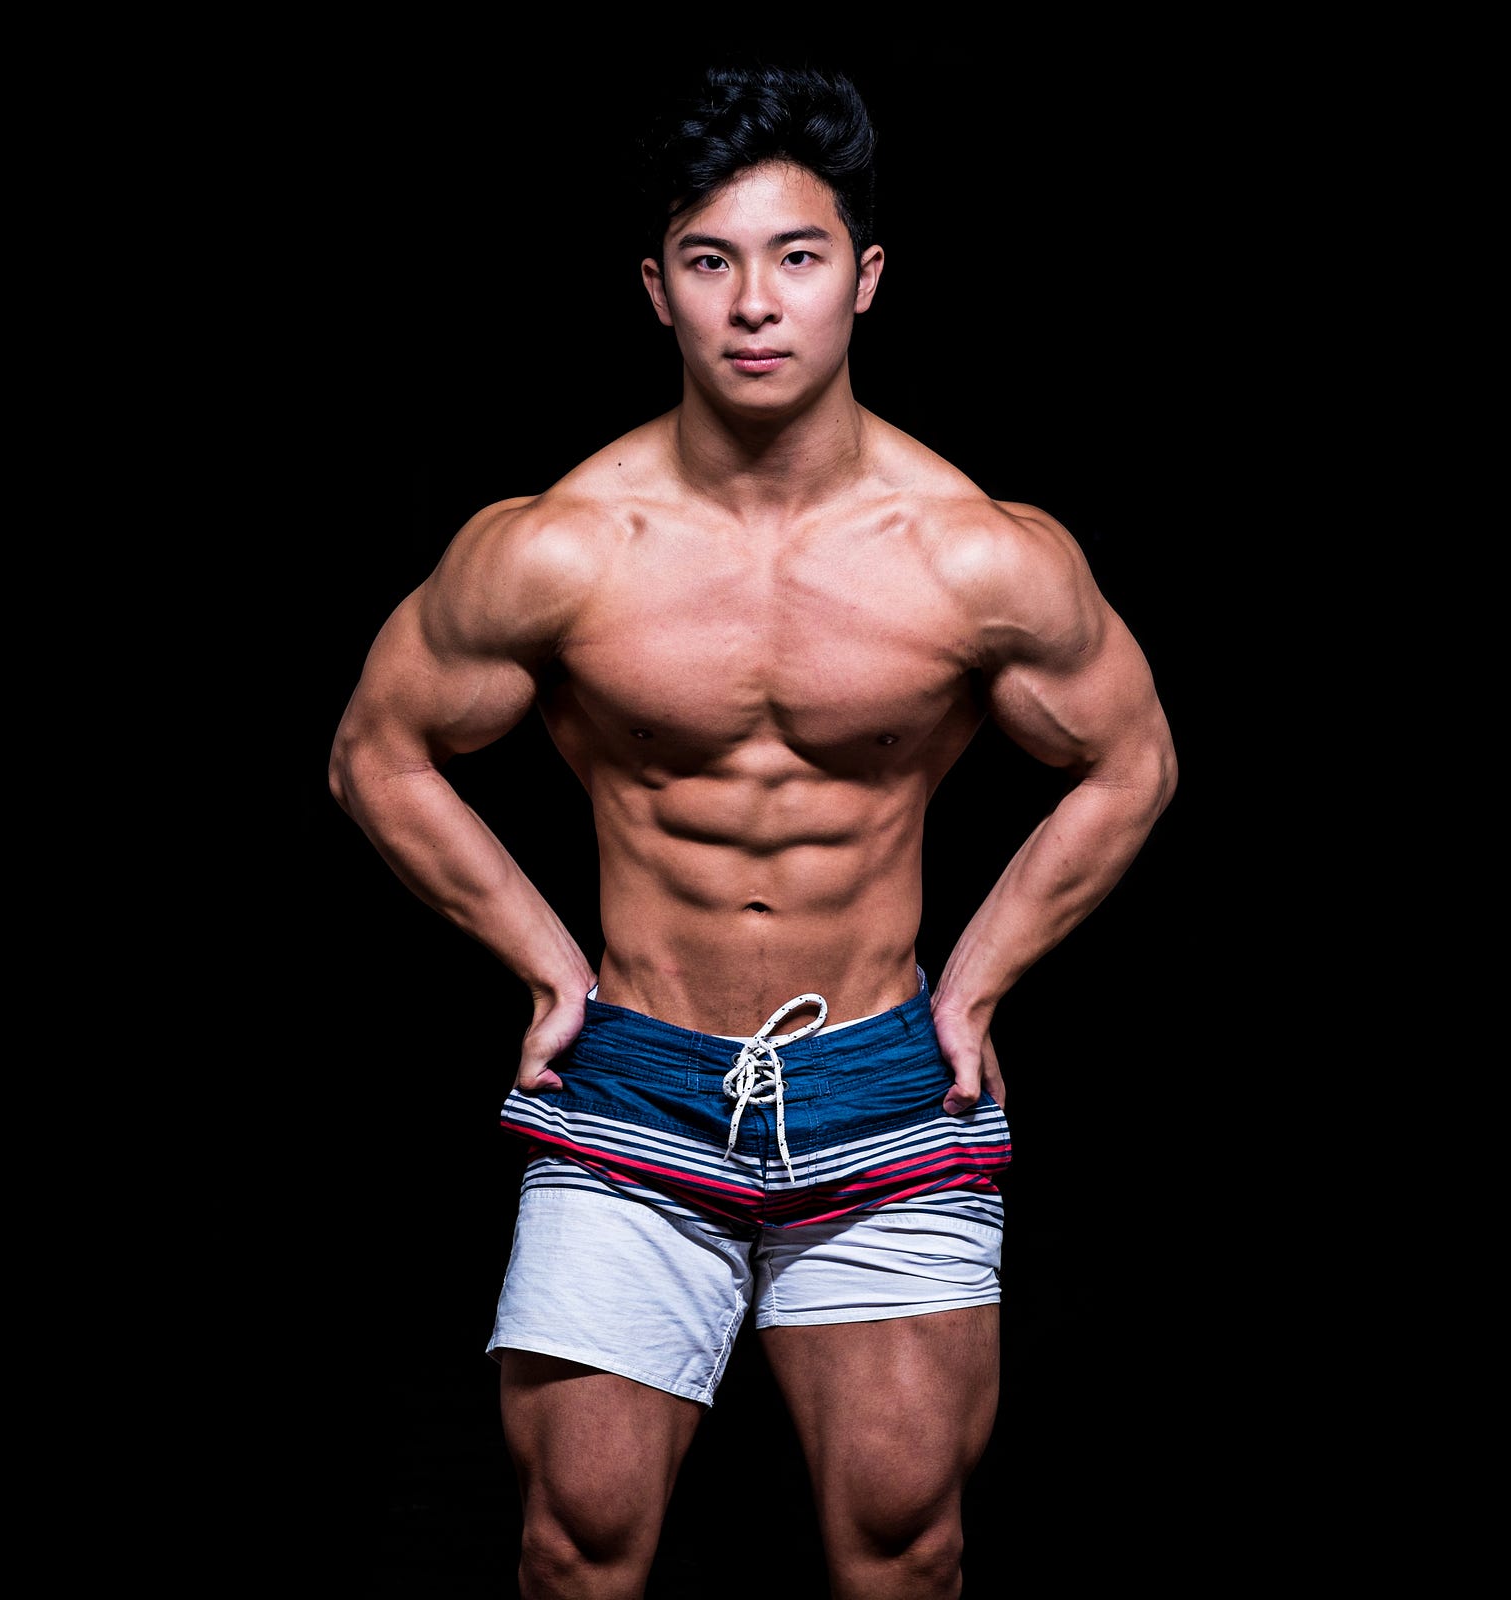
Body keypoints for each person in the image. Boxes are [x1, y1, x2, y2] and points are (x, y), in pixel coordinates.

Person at [329, 59, 1177, 1600]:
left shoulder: (977, 555)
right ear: (658, 290)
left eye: (797, 258)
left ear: (866, 277)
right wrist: (548, 965)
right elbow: (375, 752)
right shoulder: (559, 549)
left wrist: (976, 987)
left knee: (903, 1549)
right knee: (578, 1549)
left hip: (881, 1083)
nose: (756, 305)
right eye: (711, 263)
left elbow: (1133, 762)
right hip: (635, 1080)